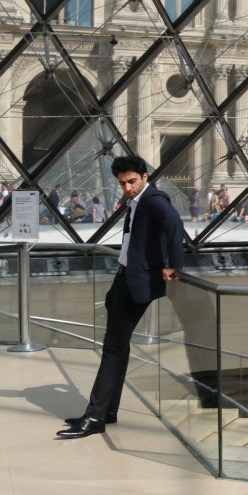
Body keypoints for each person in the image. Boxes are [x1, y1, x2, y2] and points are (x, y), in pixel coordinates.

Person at [57, 155, 185, 439]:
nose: (127, 187)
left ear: (144, 176)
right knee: (118, 347)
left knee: (113, 348)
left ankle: (94, 418)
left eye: (132, 181)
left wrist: (173, 264)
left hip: (136, 283)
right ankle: (107, 411)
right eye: (122, 183)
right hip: (125, 278)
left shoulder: (153, 199)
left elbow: (174, 223)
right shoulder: (138, 201)